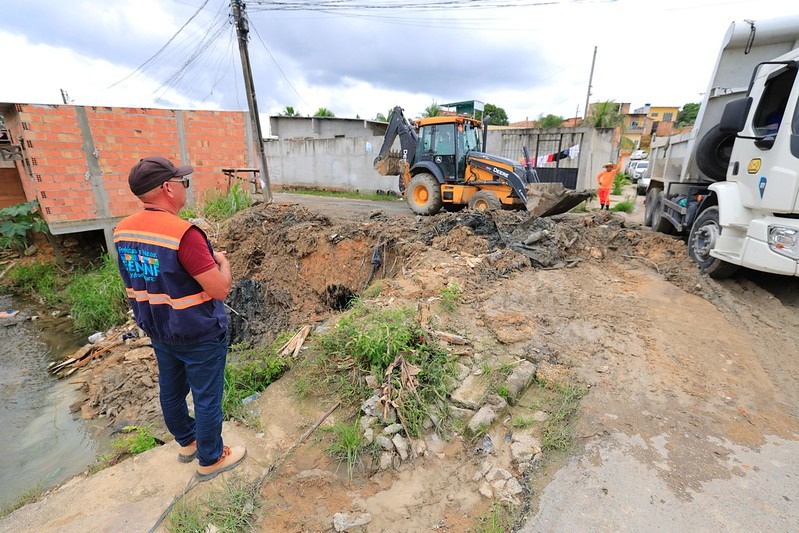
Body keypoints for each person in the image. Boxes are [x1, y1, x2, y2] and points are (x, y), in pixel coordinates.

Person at [114, 155, 246, 481]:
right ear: (167, 188)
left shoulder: (122, 230)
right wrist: (222, 264)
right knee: (206, 397)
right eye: (182, 182)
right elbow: (219, 290)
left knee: (171, 391)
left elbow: (140, 276)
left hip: (158, 328)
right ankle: (211, 459)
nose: (184, 187)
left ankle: (187, 443)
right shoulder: (183, 234)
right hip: (198, 333)